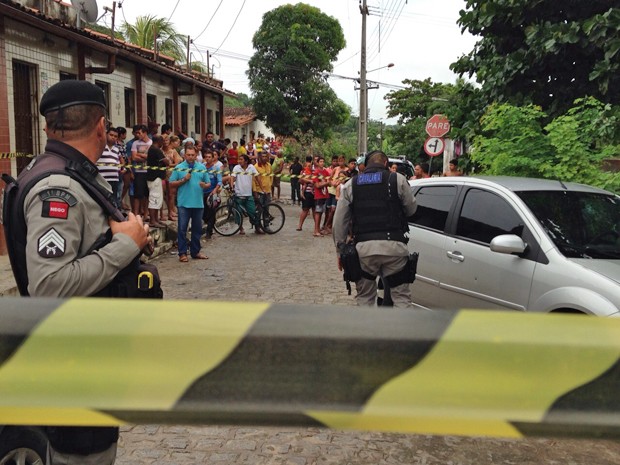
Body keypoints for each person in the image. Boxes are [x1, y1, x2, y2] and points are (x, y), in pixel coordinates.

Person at [2, 79, 159, 465]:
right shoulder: (58, 187)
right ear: (102, 126)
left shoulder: (66, 171)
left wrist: (128, 236)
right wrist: (126, 246)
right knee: (84, 454)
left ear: (46, 128)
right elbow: (50, 285)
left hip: (90, 351)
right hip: (75, 357)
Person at [332, 150, 417, 308]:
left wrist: (340, 250)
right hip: (395, 248)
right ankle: (404, 331)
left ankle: (367, 331)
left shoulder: (352, 184)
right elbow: (411, 210)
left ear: (365, 165)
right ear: (386, 164)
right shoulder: (397, 180)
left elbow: (339, 221)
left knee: (365, 298)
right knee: (401, 297)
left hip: (364, 250)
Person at [168, 146, 211, 261]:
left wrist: (204, 185)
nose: (191, 157)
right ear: (184, 155)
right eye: (189, 155)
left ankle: (195, 251)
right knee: (182, 229)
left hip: (198, 203)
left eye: (193, 155)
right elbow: (171, 183)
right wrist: (183, 180)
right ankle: (182, 253)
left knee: (197, 229)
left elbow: (208, 183)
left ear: (196, 155)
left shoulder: (201, 167)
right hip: (183, 203)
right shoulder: (179, 168)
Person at [230, 154, 263, 235]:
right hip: (238, 194)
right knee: (238, 213)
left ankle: (257, 228)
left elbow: (257, 176)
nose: (239, 161)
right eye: (238, 159)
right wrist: (231, 186)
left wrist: (262, 188)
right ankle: (241, 228)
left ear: (246, 161)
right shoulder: (236, 168)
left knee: (252, 212)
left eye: (241, 159)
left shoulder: (251, 167)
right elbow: (232, 177)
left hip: (248, 194)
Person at [146, 135, 170, 227]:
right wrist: (167, 160)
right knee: (154, 199)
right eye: (162, 141)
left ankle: (156, 219)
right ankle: (153, 221)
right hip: (154, 177)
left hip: (156, 177)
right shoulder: (156, 150)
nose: (163, 143)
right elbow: (166, 161)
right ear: (159, 141)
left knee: (158, 199)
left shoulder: (153, 149)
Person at [97, 125, 121, 207]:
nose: (113, 137)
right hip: (102, 179)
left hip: (114, 179)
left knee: (113, 200)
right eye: (111, 135)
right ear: (106, 135)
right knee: (103, 200)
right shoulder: (99, 146)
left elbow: (118, 161)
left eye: (115, 136)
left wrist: (120, 168)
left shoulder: (116, 149)